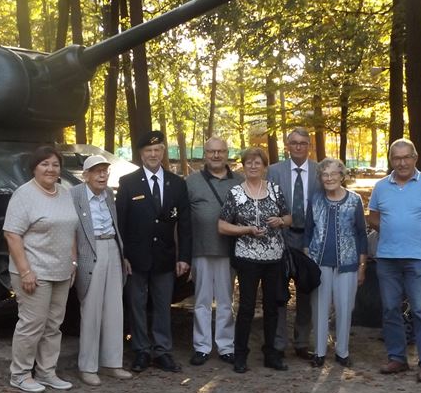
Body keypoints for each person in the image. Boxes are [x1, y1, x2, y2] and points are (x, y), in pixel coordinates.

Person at [367, 138, 421, 383]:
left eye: (406, 157)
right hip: (387, 259)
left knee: (420, 309)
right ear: (391, 160)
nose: (402, 162)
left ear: (415, 158)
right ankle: (397, 358)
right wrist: (392, 231)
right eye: (397, 158)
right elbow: (373, 218)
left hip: (418, 258)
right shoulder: (381, 186)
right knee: (390, 308)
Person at [4, 145, 79, 393]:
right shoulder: (24, 195)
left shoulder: (64, 193)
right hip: (34, 272)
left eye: (55, 164)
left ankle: (46, 372)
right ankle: (21, 374)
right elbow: (12, 234)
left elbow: (70, 229)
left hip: (61, 271)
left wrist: (73, 262)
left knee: (53, 325)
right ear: (34, 168)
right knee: (31, 324)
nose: (50, 169)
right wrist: (25, 271)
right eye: (44, 164)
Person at [116, 130, 192, 373]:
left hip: (165, 256)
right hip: (136, 258)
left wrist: (184, 257)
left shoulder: (177, 183)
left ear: (162, 152)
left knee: (162, 305)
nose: (153, 154)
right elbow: (121, 223)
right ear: (141, 154)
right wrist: (123, 255)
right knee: (136, 304)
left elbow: (186, 224)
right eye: (148, 151)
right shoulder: (128, 183)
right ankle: (140, 350)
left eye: (157, 150)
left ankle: (162, 351)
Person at [219, 147, 292, 373]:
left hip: (274, 258)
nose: (253, 166)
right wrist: (246, 229)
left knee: (272, 307)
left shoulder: (275, 190)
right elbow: (222, 225)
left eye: (257, 163)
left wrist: (280, 221)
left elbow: (289, 217)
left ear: (264, 166)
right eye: (248, 162)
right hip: (247, 258)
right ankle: (241, 355)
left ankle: (271, 353)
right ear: (243, 166)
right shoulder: (236, 193)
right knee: (247, 307)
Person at [71, 154, 133, 386]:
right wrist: (74, 259)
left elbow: (115, 226)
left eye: (105, 170)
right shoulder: (75, 194)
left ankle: (112, 363)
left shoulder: (108, 194)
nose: (102, 175)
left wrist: (122, 254)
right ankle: (87, 367)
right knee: (91, 309)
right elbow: (71, 230)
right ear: (86, 175)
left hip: (112, 249)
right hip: (90, 250)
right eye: (97, 171)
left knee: (115, 309)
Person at [303, 158, 368, 368]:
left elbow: (361, 234)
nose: (329, 178)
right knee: (320, 308)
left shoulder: (355, 200)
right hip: (318, 263)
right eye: (325, 175)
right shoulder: (315, 199)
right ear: (321, 178)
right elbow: (308, 231)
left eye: (333, 174)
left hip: (348, 264)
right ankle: (320, 352)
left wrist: (362, 266)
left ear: (342, 176)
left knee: (344, 307)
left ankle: (342, 352)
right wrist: (307, 261)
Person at [186, 137, 243, 366]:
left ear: (227, 153)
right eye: (211, 152)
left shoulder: (239, 181)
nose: (216, 156)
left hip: (229, 250)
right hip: (201, 249)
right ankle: (201, 347)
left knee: (225, 301)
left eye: (220, 151)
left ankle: (226, 346)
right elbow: (184, 219)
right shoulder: (191, 182)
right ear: (205, 154)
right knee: (200, 301)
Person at [267, 127, 321, 359]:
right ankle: (277, 344)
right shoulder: (274, 171)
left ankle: (301, 342)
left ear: (309, 146)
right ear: (287, 145)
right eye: (294, 143)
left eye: (303, 143)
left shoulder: (321, 171)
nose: (298, 146)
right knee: (278, 291)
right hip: (280, 237)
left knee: (306, 291)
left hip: (309, 238)